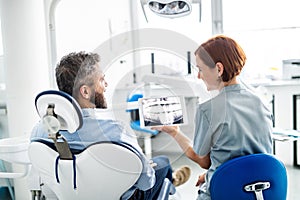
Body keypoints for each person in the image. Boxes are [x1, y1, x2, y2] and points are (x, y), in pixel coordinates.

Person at [30, 51, 191, 200]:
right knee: (163, 164)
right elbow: (146, 183)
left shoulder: (39, 132)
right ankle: (172, 178)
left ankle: (173, 177)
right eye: (101, 79)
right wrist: (143, 166)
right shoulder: (116, 132)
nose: (106, 84)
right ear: (85, 92)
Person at [152, 35, 273, 200]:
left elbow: (203, 161)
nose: (198, 76)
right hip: (260, 192)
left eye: (200, 69)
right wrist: (214, 175)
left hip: (225, 193)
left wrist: (174, 132)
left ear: (218, 69)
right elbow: (251, 157)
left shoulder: (208, 110)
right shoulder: (262, 101)